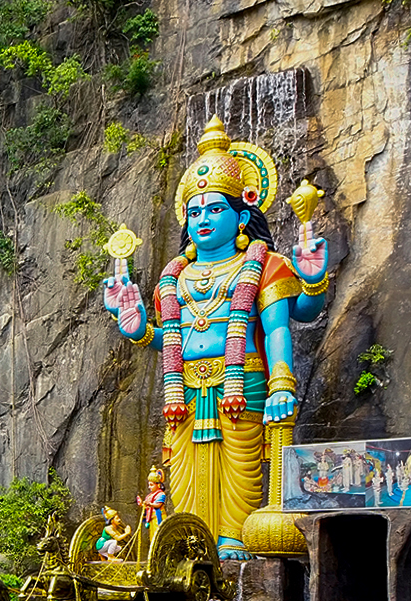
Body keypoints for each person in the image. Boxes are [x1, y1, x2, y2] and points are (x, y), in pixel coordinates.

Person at [103, 117, 330, 558]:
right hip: (183, 389)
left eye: (214, 209)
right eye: (194, 211)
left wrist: (284, 380)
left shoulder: (264, 264)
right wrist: (136, 330)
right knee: (184, 470)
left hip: (242, 381)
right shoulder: (175, 279)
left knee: (239, 466)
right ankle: (190, 542)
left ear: (242, 214)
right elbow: (169, 337)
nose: (202, 219)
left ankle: (231, 539)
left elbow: (283, 322)